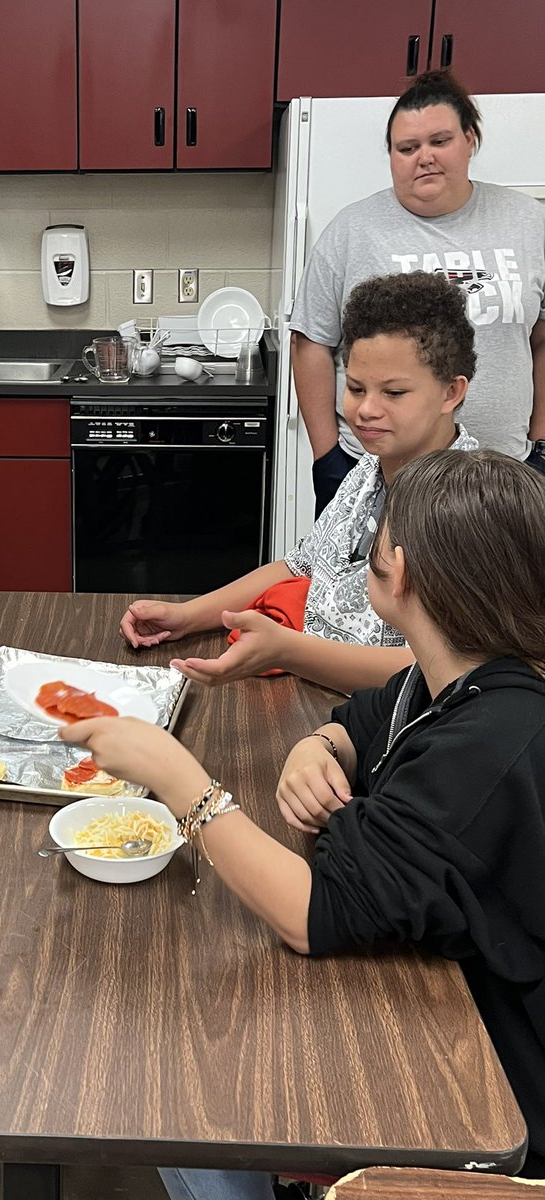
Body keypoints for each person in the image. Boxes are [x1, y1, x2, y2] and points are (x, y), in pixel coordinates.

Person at [68, 448, 545, 1190]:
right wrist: (318, 745)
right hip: (437, 992)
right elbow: (363, 715)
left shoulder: (490, 749)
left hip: (491, 1089)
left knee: (169, 1090)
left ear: (406, 573)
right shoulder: (456, 672)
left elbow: (312, 913)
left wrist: (171, 772)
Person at [121, 271, 477, 695]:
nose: (366, 410)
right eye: (356, 388)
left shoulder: (467, 507)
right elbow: (297, 566)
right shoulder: (369, 470)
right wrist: (188, 616)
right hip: (320, 696)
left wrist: (288, 651)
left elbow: (446, 671)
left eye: (394, 393)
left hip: (389, 731)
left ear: (451, 393)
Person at [291, 69, 545, 514]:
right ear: (391, 156)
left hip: (504, 478)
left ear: (469, 139)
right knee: (367, 584)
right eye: (407, 148)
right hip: (379, 478)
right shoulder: (353, 231)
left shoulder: (530, 224)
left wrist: (541, 442)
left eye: (439, 141)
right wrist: (327, 458)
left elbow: (542, 340)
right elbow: (311, 340)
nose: (423, 157)